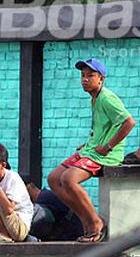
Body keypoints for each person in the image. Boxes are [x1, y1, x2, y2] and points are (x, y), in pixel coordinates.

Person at [47, 58, 135, 243]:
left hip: (106, 154)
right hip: (92, 149)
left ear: (101, 79)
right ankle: (85, 219)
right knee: (54, 179)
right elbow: (105, 126)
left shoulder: (106, 98)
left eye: (90, 76)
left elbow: (129, 122)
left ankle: (95, 223)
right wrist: (90, 142)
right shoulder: (95, 98)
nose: (85, 79)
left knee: (69, 179)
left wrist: (108, 146)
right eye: (83, 75)